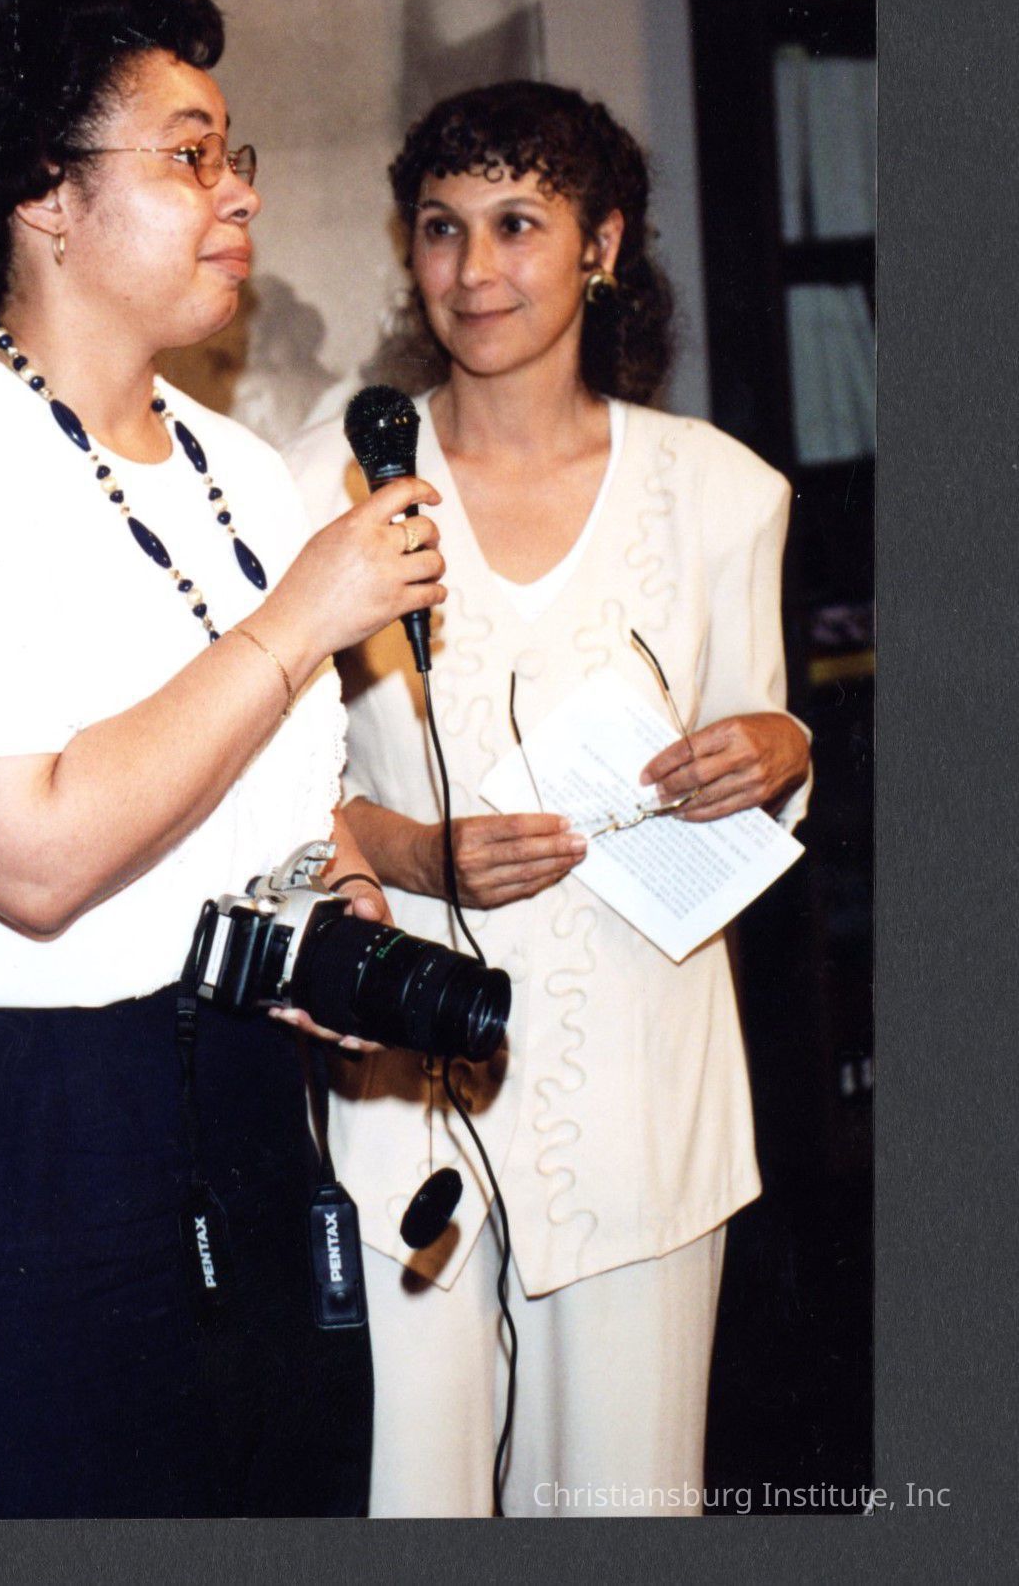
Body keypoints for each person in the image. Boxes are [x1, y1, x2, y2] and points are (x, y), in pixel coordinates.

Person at [0, 0, 447, 1518]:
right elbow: (34, 860)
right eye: (188, 154)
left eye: (235, 154)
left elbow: (279, 811)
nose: (240, 190)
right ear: (44, 195)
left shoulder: (242, 471)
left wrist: (334, 908)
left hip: (224, 1087)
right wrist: (300, 619)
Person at [287, 80, 812, 1518]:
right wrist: (419, 853)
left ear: (604, 245)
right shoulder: (320, 489)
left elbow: (762, 739)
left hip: (644, 1088)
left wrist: (777, 748)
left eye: (517, 223)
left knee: (625, 1502)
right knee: (414, 1495)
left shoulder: (722, 493)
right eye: (440, 226)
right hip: (404, 1094)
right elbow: (277, 798)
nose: (473, 269)